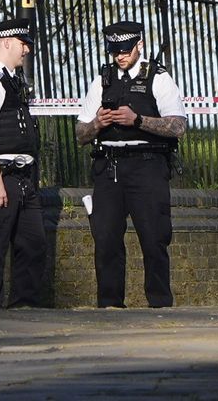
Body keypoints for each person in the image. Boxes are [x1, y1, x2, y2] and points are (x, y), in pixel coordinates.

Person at [74, 20, 187, 308]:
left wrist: (137, 120)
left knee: (154, 238)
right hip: (108, 167)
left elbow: (178, 126)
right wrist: (97, 124)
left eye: (125, 50)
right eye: (115, 51)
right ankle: (110, 305)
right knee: (106, 239)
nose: (120, 56)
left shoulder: (158, 78)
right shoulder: (101, 81)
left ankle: (160, 304)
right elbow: (80, 134)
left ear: (139, 45)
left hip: (147, 166)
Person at [0, 17, 46, 309]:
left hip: (23, 179)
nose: (27, 49)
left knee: (33, 243)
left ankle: (24, 306)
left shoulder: (12, 81)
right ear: (7, 43)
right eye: (23, 43)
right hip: (2, 176)